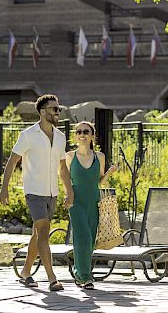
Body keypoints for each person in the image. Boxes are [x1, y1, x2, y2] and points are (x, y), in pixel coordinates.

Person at [0, 94, 73, 292]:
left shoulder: (60, 137)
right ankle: (51, 278)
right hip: (34, 192)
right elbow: (12, 161)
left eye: (59, 109)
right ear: (42, 112)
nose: (58, 112)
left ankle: (25, 272)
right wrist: (4, 187)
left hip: (52, 192)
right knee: (43, 231)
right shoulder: (28, 135)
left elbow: (63, 168)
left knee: (38, 234)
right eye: (54, 109)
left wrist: (69, 191)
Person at [65, 121, 117, 289]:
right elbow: (64, 179)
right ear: (75, 136)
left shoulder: (99, 157)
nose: (82, 134)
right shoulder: (69, 157)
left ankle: (79, 273)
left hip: (94, 201)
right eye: (79, 131)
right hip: (76, 201)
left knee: (89, 240)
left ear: (92, 136)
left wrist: (109, 173)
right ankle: (85, 276)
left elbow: (100, 182)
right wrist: (68, 195)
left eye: (86, 131)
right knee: (83, 237)